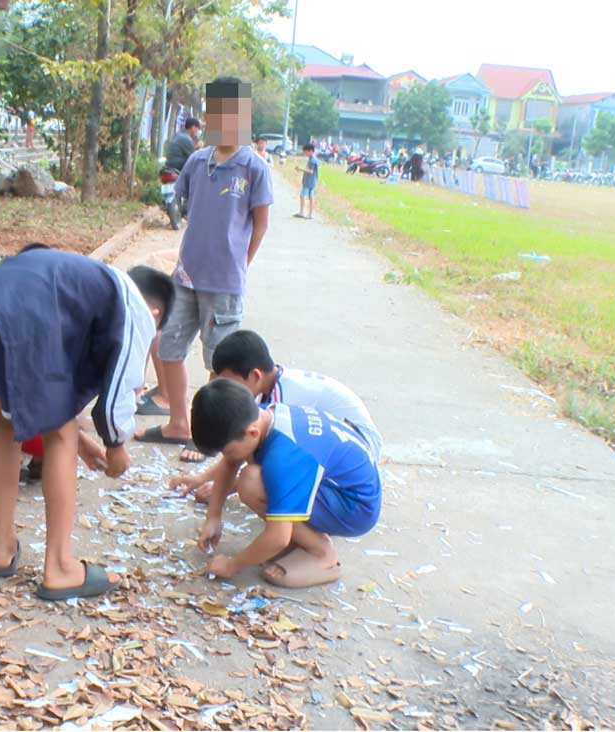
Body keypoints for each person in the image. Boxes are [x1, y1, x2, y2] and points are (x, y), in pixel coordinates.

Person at [0, 244, 174, 601]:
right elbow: (117, 393)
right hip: (19, 319)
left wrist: (86, 443)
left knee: (8, 428)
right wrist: (116, 447)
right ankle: (59, 567)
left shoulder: (86, 288)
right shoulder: (136, 311)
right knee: (61, 437)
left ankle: (2, 547)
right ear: (156, 312)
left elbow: (42, 397)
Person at [136, 76, 273, 452]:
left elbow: (260, 224)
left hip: (225, 282)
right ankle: (180, 423)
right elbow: (182, 205)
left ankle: (212, 436)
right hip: (186, 277)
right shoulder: (198, 162)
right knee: (169, 347)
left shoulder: (254, 168)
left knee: (221, 363)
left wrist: (240, 264)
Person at [189, 379, 382, 588]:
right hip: (340, 484)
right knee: (253, 470)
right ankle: (303, 537)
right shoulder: (259, 414)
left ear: (252, 433)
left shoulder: (285, 457)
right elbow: (230, 461)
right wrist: (213, 515)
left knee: (250, 482)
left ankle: (322, 553)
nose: (226, 456)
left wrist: (232, 565)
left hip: (354, 508)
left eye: (226, 450)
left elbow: (278, 538)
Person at [172, 330, 383, 500]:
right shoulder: (269, 386)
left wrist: (229, 487)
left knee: (258, 469)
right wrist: (202, 479)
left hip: (360, 455)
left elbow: (267, 458)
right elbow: (236, 452)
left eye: (230, 381)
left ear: (255, 375)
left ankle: (309, 540)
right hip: (343, 447)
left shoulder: (284, 398)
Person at [295, 143, 319, 219]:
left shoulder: (312, 160)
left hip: (309, 181)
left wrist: (300, 169)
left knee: (303, 196)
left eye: (306, 152)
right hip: (311, 181)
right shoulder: (313, 159)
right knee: (310, 197)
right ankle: (309, 213)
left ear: (311, 151)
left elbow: (311, 171)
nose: (305, 153)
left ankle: (302, 212)